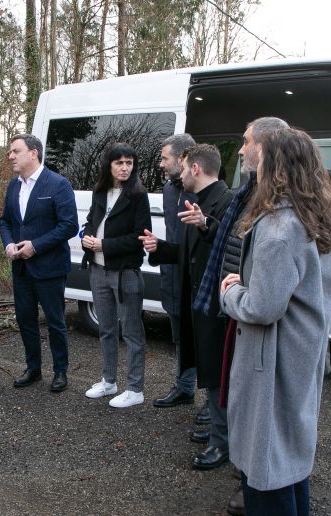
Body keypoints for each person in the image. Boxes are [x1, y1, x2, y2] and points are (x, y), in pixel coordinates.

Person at [219, 128, 331, 516]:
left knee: (265, 439)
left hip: (274, 354)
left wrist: (231, 291)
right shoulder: (314, 215)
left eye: (262, 155)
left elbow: (263, 307)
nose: (253, 160)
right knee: (292, 433)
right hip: (302, 347)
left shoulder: (278, 227)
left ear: (278, 167)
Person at [193, 117, 290, 515]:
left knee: (257, 404)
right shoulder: (249, 189)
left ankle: (253, 484)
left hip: (245, 304)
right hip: (230, 297)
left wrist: (237, 294)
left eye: (246, 141)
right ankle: (242, 468)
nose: (240, 149)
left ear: (264, 147)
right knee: (228, 382)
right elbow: (232, 239)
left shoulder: (278, 203)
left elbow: (269, 284)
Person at [141, 144, 233, 465]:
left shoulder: (226, 201)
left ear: (195, 168)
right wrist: (160, 248)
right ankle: (218, 432)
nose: (178, 175)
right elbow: (186, 252)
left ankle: (222, 442)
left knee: (219, 372)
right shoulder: (198, 203)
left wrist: (206, 224)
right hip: (198, 301)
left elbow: (229, 245)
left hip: (218, 305)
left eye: (183, 168)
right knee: (209, 368)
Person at [0, 134, 78, 393]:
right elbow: (5, 221)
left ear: (33, 153)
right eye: (10, 151)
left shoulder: (58, 184)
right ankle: (33, 369)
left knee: (55, 321)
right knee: (25, 320)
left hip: (50, 267)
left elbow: (69, 226)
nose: (10, 156)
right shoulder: (13, 186)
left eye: (15, 151)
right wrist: (9, 243)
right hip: (21, 268)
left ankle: (60, 372)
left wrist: (36, 245)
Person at [81, 144, 152, 408]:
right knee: (106, 329)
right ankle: (108, 381)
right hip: (98, 270)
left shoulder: (138, 195)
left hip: (125, 273)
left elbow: (140, 237)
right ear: (108, 165)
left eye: (129, 163)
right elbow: (91, 220)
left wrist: (105, 245)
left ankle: (135, 389)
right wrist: (87, 236)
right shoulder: (100, 191)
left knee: (132, 332)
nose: (125, 168)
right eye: (119, 163)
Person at [152, 134, 201, 411]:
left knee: (201, 338)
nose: (161, 164)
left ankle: (213, 402)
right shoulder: (169, 189)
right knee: (179, 335)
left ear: (183, 159)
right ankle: (184, 388)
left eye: (164, 158)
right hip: (172, 275)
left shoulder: (203, 190)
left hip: (195, 278)